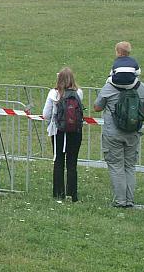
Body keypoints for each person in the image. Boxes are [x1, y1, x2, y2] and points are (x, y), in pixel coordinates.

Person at [94, 42, 144, 208]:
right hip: (133, 131)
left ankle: (120, 201)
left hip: (112, 132)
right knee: (130, 166)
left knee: (116, 166)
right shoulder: (142, 88)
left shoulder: (109, 86)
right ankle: (129, 201)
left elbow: (97, 106)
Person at [42, 67, 84, 202]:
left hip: (57, 131)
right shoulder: (79, 93)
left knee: (58, 161)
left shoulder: (53, 94)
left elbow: (46, 114)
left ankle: (58, 193)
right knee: (72, 163)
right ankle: (72, 194)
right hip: (75, 131)